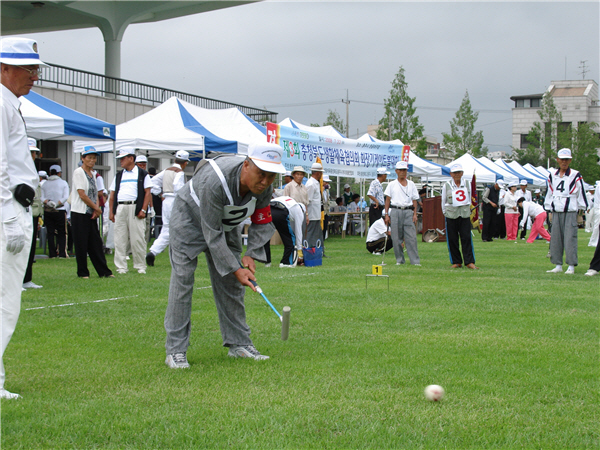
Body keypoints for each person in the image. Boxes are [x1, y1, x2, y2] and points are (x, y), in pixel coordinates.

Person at [164, 142, 286, 368]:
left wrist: (251, 253)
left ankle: (239, 343)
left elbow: (262, 221)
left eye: (271, 176)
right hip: (188, 220)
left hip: (226, 224)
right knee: (183, 281)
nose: (265, 181)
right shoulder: (215, 181)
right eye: (261, 174)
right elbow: (212, 235)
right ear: (247, 165)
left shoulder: (264, 188)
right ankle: (176, 350)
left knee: (231, 283)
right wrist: (236, 268)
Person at [1, 36, 48, 399]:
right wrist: (8, 216)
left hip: (14, 205)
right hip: (9, 208)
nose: (34, 75)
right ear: (4, 68)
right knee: (5, 300)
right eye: (27, 68)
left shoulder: (9, 103)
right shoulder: (2, 104)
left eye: (34, 68)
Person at [69, 146, 114, 278]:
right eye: (89, 157)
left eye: (94, 158)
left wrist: (96, 209)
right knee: (81, 243)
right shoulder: (79, 172)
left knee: (95, 243)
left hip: (91, 213)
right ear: (83, 158)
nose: (92, 160)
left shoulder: (93, 174)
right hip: (80, 212)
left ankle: (104, 271)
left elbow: (96, 194)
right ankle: (83, 272)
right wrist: (96, 208)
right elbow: (82, 194)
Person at [108, 148, 152, 274]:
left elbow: (147, 193)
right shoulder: (118, 175)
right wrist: (111, 211)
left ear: (131, 158)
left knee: (137, 238)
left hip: (135, 207)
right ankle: (121, 267)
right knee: (119, 238)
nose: (121, 161)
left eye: (123, 158)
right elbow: (112, 195)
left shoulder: (142, 174)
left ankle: (140, 266)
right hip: (121, 207)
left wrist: (143, 209)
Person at [544, 148, 588, 274]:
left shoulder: (575, 175)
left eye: (567, 160)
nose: (564, 162)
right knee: (556, 239)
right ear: (558, 160)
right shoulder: (552, 175)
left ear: (570, 161)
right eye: (562, 159)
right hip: (557, 210)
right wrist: (548, 208)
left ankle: (571, 265)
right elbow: (549, 192)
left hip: (570, 210)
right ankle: (557, 264)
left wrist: (582, 209)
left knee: (570, 238)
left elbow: (581, 191)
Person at [146, 150, 190, 266]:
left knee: (166, 228)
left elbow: (152, 182)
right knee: (180, 228)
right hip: (175, 201)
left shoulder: (166, 170)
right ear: (185, 163)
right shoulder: (180, 173)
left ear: (175, 160)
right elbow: (178, 187)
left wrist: (160, 193)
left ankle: (153, 251)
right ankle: (180, 254)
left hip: (166, 201)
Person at [383, 161, 420, 266]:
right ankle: (399, 260)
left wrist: (415, 214)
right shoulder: (391, 184)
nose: (403, 172)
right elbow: (387, 200)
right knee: (396, 238)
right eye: (400, 170)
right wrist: (386, 214)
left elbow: (414, 200)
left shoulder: (411, 184)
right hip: (395, 210)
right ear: (396, 171)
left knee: (411, 237)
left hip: (408, 210)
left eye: (404, 170)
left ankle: (415, 261)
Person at [441, 163, 477, 269]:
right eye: (455, 172)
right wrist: (445, 212)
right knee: (452, 239)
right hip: (451, 214)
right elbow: (443, 200)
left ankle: (469, 261)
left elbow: (469, 199)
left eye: (459, 172)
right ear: (451, 174)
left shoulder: (467, 183)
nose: (457, 174)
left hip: (464, 214)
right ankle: (456, 261)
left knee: (466, 238)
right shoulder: (447, 185)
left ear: (462, 173)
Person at [22, 138, 44, 289]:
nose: (32, 156)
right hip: (21, 211)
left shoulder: (33, 169)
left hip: (34, 212)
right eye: (29, 152)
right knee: (21, 247)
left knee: (30, 247)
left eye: (34, 153)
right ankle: (17, 280)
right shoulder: (17, 168)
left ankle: (27, 279)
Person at [41, 164, 70, 258]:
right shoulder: (63, 183)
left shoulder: (45, 184)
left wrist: (48, 202)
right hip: (60, 210)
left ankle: (52, 253)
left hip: (48, 210)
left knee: (50, 232)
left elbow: (42, 197)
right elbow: (65, 197)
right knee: (62, 232)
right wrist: (57, 203)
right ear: (59, 173)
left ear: (50, 173)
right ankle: (62, 253)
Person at [270, 196, 305, 267]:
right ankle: (286, 262)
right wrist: (300, 251)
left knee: (266, 237)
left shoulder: (290, 201)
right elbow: (298, 231)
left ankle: (267, 262)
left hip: (268, 208)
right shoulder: (299, 210)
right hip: (281, 212)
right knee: (291, 239)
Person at [305, 162, 324, 248]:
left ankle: (319, 250)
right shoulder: (311, 184)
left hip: (316, 214)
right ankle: (309, 249)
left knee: (317, 233)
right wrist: (307, 214)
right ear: (318, 173)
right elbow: (307, 200)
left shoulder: (315, 183)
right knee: (311, 233)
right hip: (311, 214)